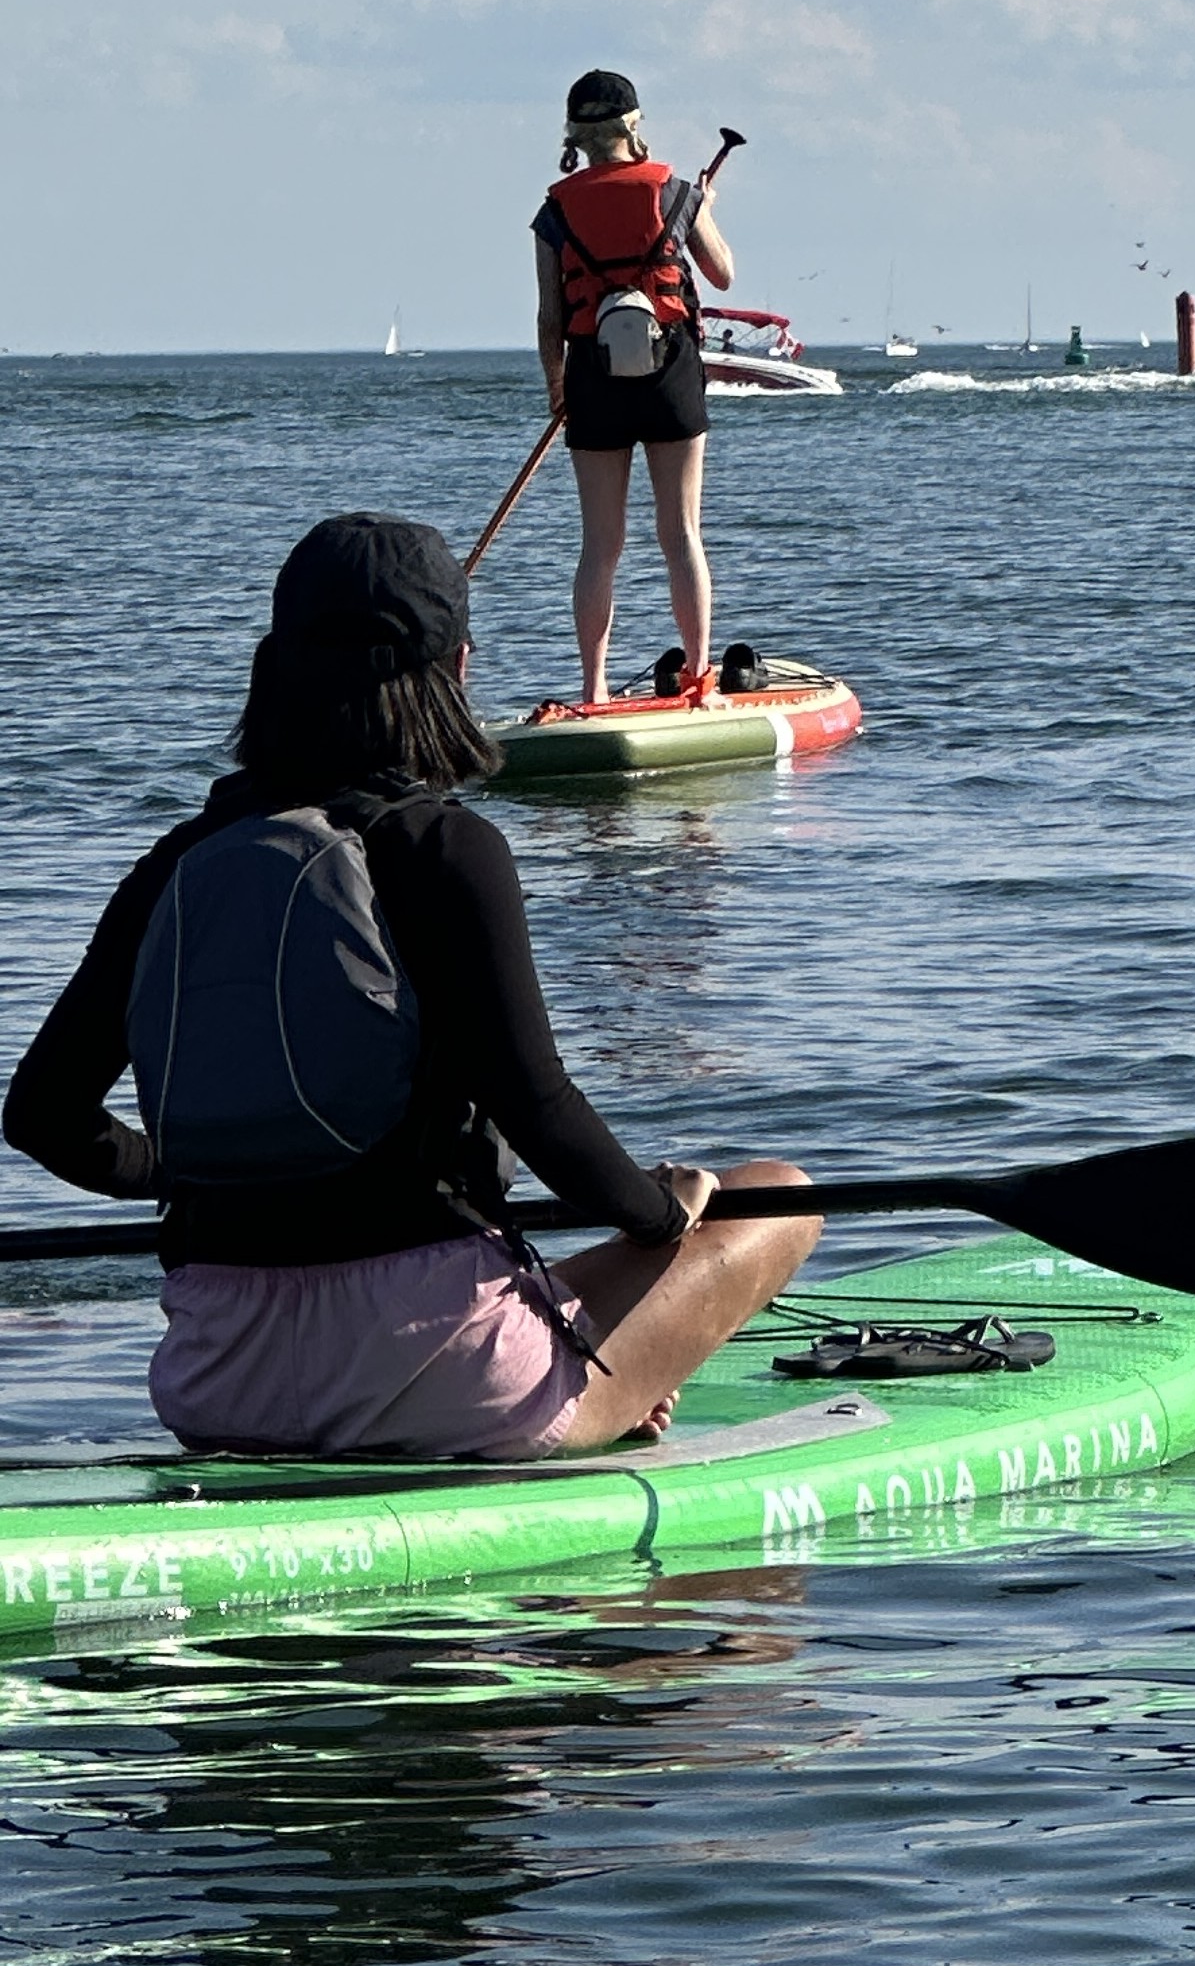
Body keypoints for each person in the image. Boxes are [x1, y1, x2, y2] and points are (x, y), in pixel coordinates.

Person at [2, 515, 818, 1458]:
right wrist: (658, 1209)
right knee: (780, 1197)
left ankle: (574, 1359)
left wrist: (178, 1173)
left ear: (274, 668)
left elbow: (42, 1114)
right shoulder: (448, 850)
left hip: (217, 1382)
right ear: (456, 670)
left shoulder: (176, 863)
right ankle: (610, 1408)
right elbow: (539, 1106)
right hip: (443, 1381)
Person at [536, 69, 735, 705]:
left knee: (600, 543)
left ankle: (593, 688)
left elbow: (551, 317)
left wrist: (557, 387)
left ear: (577, 136)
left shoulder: (555, 209)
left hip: (592, 370)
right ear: (634, 126)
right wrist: (702, 211)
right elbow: (722, 274)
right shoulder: (677, 192)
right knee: (681, 532)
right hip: (669, 368)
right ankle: (698, 677)